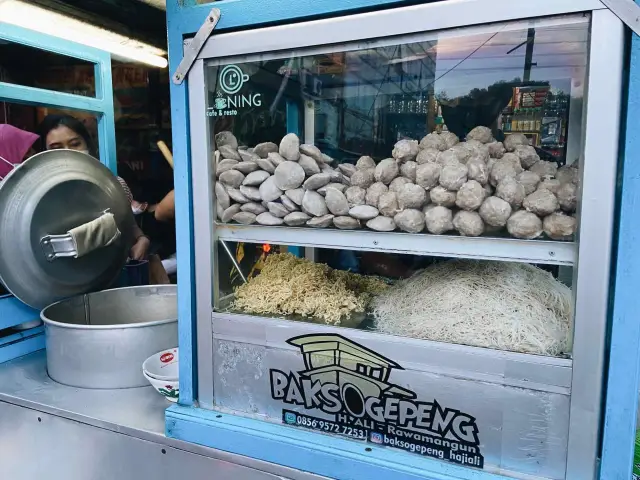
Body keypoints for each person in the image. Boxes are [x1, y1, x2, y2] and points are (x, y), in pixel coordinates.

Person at [38, 114, 150, 261]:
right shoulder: (37, 198)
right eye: (56, 147)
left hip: (112, 277)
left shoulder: (114, 185)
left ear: (88, 145)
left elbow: (130, 225)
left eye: (75, 144)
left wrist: (142, 240)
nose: (68, 152)